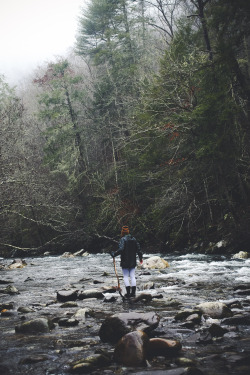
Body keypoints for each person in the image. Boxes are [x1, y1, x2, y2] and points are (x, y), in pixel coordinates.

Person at [111, 225, 143, 298]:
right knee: (132, 276)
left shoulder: (123, 239)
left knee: (125, 276)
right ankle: (133, 293)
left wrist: (114, 254)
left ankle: (128, 293)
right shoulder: (134, 239)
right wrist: (140, 258)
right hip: (132, 261)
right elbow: (139, 250)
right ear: (128, 232)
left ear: (122, 232)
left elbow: (121, 249)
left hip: (125, 261)